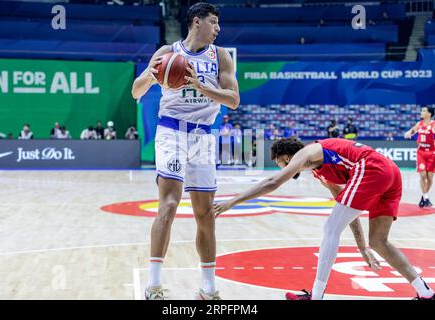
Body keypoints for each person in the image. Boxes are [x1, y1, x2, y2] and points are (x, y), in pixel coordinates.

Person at [214, 137, 435, 300]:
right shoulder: (321, 171)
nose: (281, 167)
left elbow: (273, 182)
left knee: (330, 229)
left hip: (372, 168)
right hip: (389, 173)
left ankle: (316, 296)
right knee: (378, 241)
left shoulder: (307, 153)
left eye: (280, 163)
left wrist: (232, 201)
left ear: (287, 157)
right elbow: (347, 209)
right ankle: (426, 292)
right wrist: (362, 247)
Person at [131, 2, 239, 300]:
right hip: (171, 131)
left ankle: (208, 288)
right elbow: (136, 91)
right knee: (168, 204)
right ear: (196, 22)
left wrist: (201, 86)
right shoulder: (167, 53)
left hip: (203, 136)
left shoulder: (222, 57)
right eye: (214, 22)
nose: (218, 29)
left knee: (205, 214)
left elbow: (233, 100)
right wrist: (152, 76)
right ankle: (153, 286)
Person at [404, 106, 435, 207]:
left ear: (429, 114)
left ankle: (424, 196)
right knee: (422, 175)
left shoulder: (433, 124)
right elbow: (409, 133)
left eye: (424, 111)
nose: (421, 112)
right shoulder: (419, 124)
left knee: (429, 177)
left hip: (432, 153)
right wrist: (409, 134)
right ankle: (425, 197)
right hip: (421, 152)